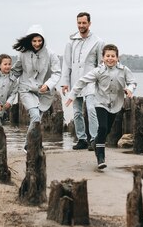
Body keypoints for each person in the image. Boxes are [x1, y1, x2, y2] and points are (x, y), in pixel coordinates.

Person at [65, 44, 136, 170]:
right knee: (102, 127)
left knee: (106, 131)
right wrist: (72, 96)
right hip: (100, 103)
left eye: (113, 56)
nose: (110, 58)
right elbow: (82, 81)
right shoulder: (98, 71)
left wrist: (129, 89)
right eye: (107, 56)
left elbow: (132, 82)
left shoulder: (123, 70)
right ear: (102, 58)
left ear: (117, 57)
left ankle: (95, 143)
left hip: (115, 104)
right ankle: (100, 158)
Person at [60, 12, 105, 151]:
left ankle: (94, 139)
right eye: (79, 23)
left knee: (91, 108)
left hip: (91, 81)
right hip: (75, 80)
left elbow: (101, 64)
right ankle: (81, 139)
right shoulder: (71, 41)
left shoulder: (98, 42)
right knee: (77, 112)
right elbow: (66, 63)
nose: (81, 25)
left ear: (89, 24)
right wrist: (65, 82)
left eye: (84, 23)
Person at [11, 25, 61, 145]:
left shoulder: (51, 54)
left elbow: (57, 72)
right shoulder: (23, 54)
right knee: (35, 116)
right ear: (30, 40)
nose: (37, 43)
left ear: (43, 40)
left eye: (39, 40)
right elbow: (16, 71)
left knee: (37, 120)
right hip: (26, 88)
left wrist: (48, 85)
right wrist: (2, 80)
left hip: (44, 91)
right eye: (34, 41)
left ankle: (30, 145)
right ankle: (29, 146)